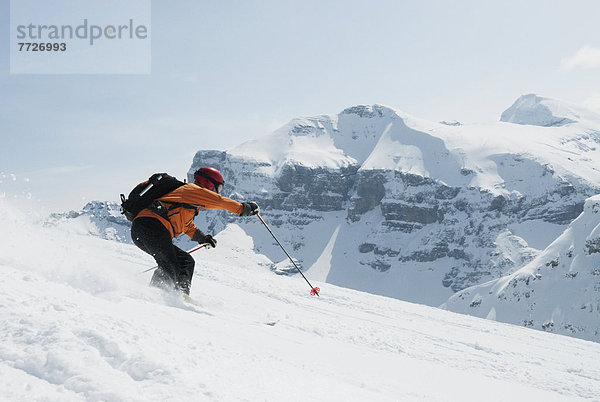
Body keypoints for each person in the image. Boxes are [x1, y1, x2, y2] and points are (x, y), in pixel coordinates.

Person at [130, 167, 260, 295]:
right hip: (150, 225)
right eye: (218, 188)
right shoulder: (192, 190)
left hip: (146, 229)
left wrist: (202, 238)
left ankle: (181, 294)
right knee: (170, 264)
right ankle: (156, 295)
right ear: (209, 183)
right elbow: (219, 201)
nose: (218, 192)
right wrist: (243, 208)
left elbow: (186, 225)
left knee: (186, 261)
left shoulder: (188, 200)